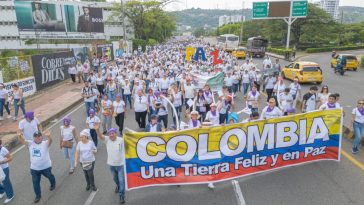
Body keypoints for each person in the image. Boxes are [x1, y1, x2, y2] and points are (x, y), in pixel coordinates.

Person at [18, 131, 56, 204]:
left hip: (46, 167)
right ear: (33, 137)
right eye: (36, 136)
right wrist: (20, 136)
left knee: (50, 176)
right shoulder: (30, 143)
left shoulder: (45, 143)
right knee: (35, 183)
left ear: (41, 137)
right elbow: (23, 141)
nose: (37, 137)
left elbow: (50, 141)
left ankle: (53, 183)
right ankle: (38, 196)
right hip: (34, 168)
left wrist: (49, 136)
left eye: (39, 136)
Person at [95, 125, 126, 204]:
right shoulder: (107, 140)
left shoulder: (121, 140)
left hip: (120, 165)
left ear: (115, 133)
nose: (111, 135)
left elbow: (130, 143)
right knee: (115, 179)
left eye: (113, 133)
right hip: (111, 165)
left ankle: (121, 195)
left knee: (122, 181)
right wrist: (97, 130)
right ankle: (118, 185)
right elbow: (100, 136)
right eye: (110, 134)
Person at [0, 139, 14, 204]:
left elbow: (10, 158)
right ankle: (2, 191)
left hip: (4, 168)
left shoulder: (3, 149)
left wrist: (2, 161)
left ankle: (10, 195)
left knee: (6, 181)